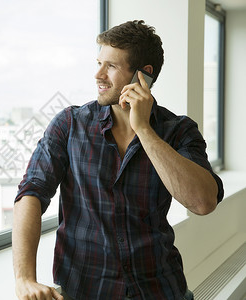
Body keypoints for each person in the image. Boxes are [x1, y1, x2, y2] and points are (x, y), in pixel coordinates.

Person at [12, 20, 224, 300]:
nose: (98, 75)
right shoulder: (69, 125)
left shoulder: (179, 130)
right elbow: (31, 193)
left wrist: (144, 130)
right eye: (99, 63)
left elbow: (203, 202)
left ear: (143, 76)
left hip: (159, 289)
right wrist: (25, 278)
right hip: (84, 291)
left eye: (110, 66)